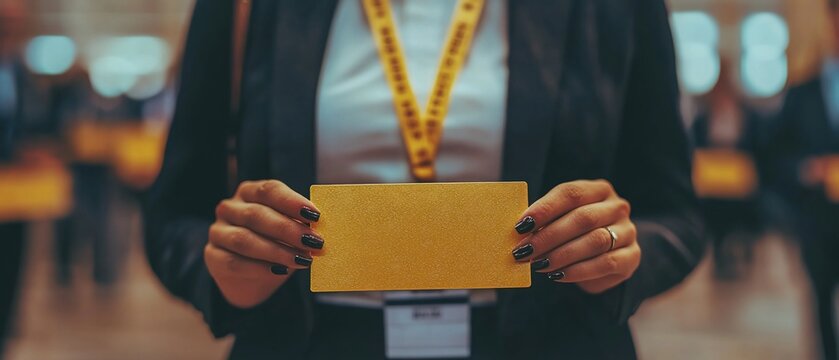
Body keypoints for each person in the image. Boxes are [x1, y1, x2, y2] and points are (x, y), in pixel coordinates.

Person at [144, 0, 705, 359]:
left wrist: (616, 255)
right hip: (312, 341)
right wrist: (227, 272)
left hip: (549, 341)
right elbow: (174, 215)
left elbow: (675, 214)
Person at [771, 2, 839, 358]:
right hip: (818, 220)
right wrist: (805, 169)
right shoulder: (802, 92)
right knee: (821, 300)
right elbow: (775, 156)